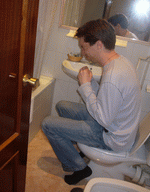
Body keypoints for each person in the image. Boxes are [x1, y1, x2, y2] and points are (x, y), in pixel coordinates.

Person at [41, 19, 141, 185]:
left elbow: (103, 118)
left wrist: (85, 86)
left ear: (99, 45)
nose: (82, 52)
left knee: (47, 124)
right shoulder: (120, 62)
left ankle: (78, 167)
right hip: (115, 127)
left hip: (110, 138)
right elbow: (108, 99)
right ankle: (76, 150)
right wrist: (92, 84)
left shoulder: (113, 76)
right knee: (62, 106)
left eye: (84, 47)